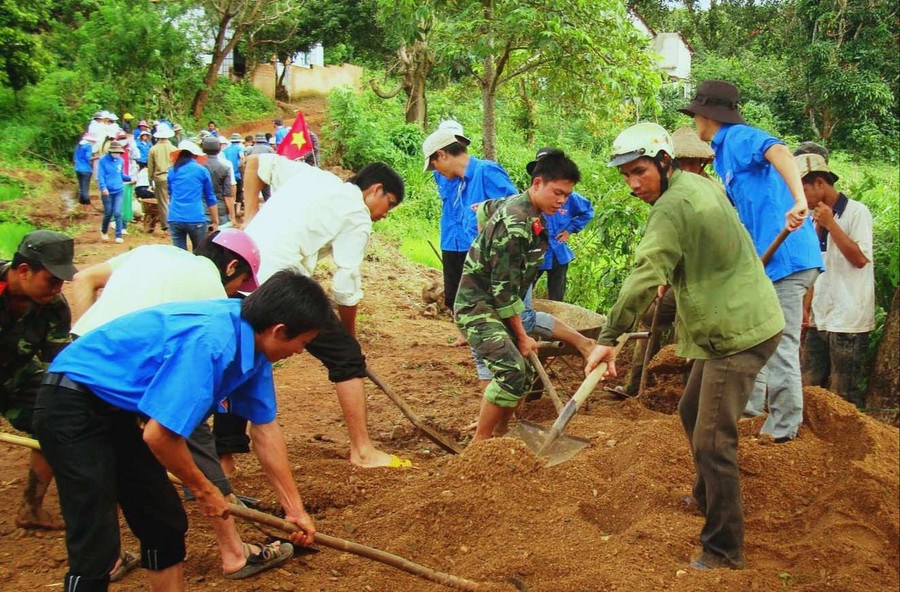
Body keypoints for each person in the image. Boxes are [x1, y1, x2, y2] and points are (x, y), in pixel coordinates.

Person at [34, 270, 329, 592]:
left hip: (117, 413)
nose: (301, 352)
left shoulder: (256, 350)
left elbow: (265, 430)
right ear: (280, 330)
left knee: (163, 522)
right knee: (96, 538)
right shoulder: (211, 341)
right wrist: (205, 490)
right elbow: (160, 436)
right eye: (303, 343)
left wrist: (294, 510)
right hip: (70, 404)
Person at [586, 122, 783, 570]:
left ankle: (723, 548)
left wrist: (609, 338)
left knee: (713, 439)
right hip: (741, 315)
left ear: (662, 161)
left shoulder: (671, 208)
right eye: (625, 176)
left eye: (640, 171)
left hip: (736, 331)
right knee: (692, 411)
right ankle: (704, 495)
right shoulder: (697, 183)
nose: (634, 184)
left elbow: (644, 273)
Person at [69, 231, 294, 581]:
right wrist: (207, 490)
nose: (236, 295)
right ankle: (234, 549)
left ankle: (100, 549)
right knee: (189, 432)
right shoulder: (215, 303)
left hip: (89, 362)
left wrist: (80, 341)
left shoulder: (153, 252)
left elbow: (84, 279)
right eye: (238, 285)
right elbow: (188, 409)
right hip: (121, 383)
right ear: (231, 266)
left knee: (104, 482)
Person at [239, 154, 409, 468]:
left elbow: (254, 163)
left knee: (242, 355)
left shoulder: (310, 176)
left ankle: (224, 458)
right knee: (345, 356)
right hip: (276, 281)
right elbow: (346, 286)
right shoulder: (356, 213)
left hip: (241, 272)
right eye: (391, 203)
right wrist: (349, 339)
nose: (386, 214)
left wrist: (249, 217)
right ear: (375, 190)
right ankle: (362, 450)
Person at [679, 80, 823, 443]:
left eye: (695, 114)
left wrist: (798, 200)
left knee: (782, 342)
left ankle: (784, 426)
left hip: (789, 258)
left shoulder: (741, 137)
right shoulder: (723, 153)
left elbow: (780, 152)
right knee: (754, 332)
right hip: (767, 261)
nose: (694, 121)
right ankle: (750, 409)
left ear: (705, 115)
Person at [455, 149, 582, 441]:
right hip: (478, 307)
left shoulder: (525, 208)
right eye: (557, 193)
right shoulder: (515, 225)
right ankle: (481, 447)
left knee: (522, 373)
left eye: (566, 195)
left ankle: (502, 433)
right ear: (537, 184)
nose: (562, 201)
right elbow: (503, 292)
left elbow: (484, 208)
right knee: (512, 370)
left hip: (496, 304)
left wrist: (481, 248)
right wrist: (523, 337)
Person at [0, 231, 76, 530]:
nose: (58, 288)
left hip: (17, 374)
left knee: (55, 416)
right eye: (52, 279)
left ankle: (31, 508)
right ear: (23, 271)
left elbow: (59, 363)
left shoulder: (54, 306)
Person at [797, 154, 875, 407]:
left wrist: (831, 225)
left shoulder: (856, 213)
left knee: (843, 394)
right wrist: (805, 310)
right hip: (820, 317)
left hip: (848, 319)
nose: (802, 197)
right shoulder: (812, 220)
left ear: (820, 183)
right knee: (808, 387)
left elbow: (860, 259)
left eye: (804, 189)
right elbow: (814, 268)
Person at [423, 122, 519, 317]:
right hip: (455, 243)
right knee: (458, 297)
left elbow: (516, 209)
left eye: (435, 164)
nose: (436, 170)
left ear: (442, 155)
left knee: (485, 303)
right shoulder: (453, 180)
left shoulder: (486, 172)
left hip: (485, 254)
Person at [527, 148, 594, 301]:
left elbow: (588, 211)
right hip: (535, 252)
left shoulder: (571, 198)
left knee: (557, 295)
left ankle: (555, 319)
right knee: (525, 291)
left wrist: (569, 229)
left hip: (557, 251)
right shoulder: (527, 201)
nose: (560, 200)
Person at [167, 140, 218, 251]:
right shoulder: (201, 171)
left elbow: (170, 194)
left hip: (175, 217)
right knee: (199, 252)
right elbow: (210, 197)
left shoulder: (172, 171)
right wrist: (215, 221)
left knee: (179, 253)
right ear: (195, 155)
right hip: (195, 217)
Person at [96, 141, 131, 244]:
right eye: (115, 152)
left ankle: (118, 235)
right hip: (107, 191)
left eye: (118, 152)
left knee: (118, 212)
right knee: (108, 212)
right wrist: (103, 188)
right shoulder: (102, 161)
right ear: (110, 151)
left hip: (118, 190)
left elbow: (122, 175)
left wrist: (130, 178)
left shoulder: (120, 160)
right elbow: (100, 176)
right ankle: (104, 231)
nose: (117, 154)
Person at [148, 123, 176, 231]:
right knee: (173, 200)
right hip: (173, 177)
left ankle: (166, 225)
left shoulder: (153, 149)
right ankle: (174, 222)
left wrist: (150, 180)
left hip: (160, 178)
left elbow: (151, 167)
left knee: (163, 202)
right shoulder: (174, 148)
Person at [202, 136, 236, 226]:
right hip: (220, 210)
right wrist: (232, 216)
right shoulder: (224, 168)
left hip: (201, 210)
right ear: (219, 149)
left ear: (203, 149)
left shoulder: (197, 168)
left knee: (201, 240)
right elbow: (228, 195)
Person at [224, 132, 246, 216]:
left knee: (228, 193)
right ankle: (237, 210)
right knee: (239, 192)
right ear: (238, 141)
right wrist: (241, 166)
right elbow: (242, 157)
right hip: (237, 174)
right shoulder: (239, 148)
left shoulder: (225, 150)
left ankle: (230, 211)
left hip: (227, 175)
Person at [74, 133, 96, 212]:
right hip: (86, 169)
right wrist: (97, 157)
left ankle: (81, 206)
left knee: (81, 188)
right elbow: (88, 158)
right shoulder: (88, 146)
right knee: (85, 189)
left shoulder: (78, 146)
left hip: (78, 168)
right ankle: (88, 203)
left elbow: (75, 158)